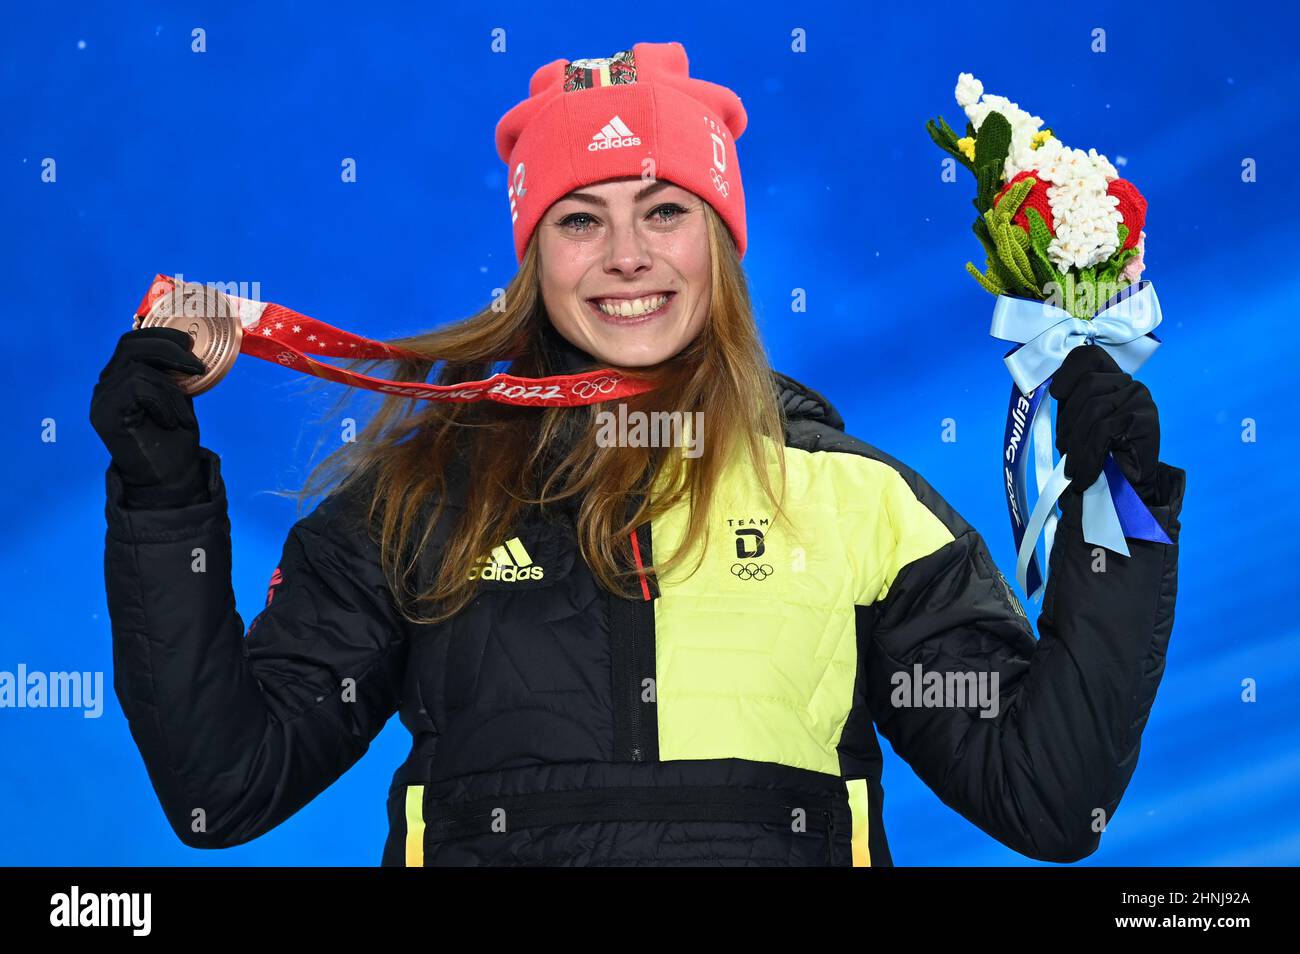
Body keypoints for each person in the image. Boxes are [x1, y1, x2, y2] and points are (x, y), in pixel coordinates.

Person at [91, 41, 1184, 867]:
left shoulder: (852, 500)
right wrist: (159, 490)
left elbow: (1050, 795)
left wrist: (1115, 501)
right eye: (579, 219)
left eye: (664, 209)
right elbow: (222, 788)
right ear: (534, 253)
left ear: (719, 237)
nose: (625, 257)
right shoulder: (423, 500)